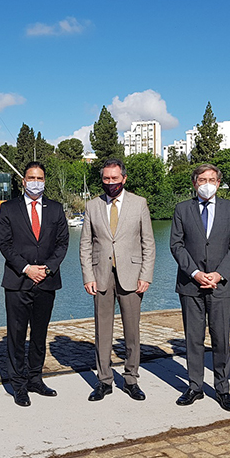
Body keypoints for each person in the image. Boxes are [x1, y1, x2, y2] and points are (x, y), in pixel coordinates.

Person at [169, 164, 230, 411]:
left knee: (221, 339)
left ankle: (222, 389)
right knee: (193, 338)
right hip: (190, 284)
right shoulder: (182, 209)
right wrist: (196, 273)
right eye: (202, 179)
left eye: (211, 179)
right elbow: (176, 245)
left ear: (219, 183)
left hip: (221, 286)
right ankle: (194, 386)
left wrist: (219, 274)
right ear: (194, 183)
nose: (207, 183)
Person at [80, 158, 155, 402]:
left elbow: (148, 243)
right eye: (106, 179)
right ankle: (104, 380)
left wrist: (146, 275)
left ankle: (131, 379)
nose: (110, 182)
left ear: (124, 178)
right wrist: (87, 276)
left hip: (132, 276)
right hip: (100, 275)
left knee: (132, 331)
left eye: (115, 178)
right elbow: (85, 245)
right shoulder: (92, 206)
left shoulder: (139, 203)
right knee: (103, 331)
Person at [0, 161, 69, 407]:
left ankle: (35, 378)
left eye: (40, 177)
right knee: (16, 336)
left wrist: (47, 268)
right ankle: (18, 384)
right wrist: (27, 269)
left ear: (44, 180)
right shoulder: (8, 208)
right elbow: (5, 245)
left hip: (46, 281)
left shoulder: (56, 209)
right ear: (23, 181)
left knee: (39, 334)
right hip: (18, 281)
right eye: (31, 177)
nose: (35, 182)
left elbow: (62, 244)